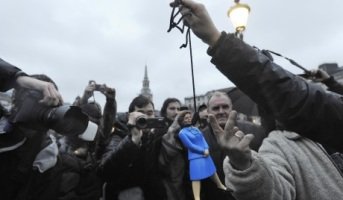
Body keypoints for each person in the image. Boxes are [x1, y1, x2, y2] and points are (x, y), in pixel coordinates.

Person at [174, 0, 343, 199]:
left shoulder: (256, 133)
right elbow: (272, 188)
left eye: (224, 106)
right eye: (216, 107)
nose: (221, 111)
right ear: (209, 111)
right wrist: (243, 165)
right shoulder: (277, 144)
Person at [98, 95, 166, 200]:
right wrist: (132, 140)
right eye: (141, 113)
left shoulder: (152, 135)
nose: (146, 117)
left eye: (150, 113)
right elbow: (104, 170)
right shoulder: (119, 133)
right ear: (131, 116)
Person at [178, 111, 227, 200]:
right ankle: (197, 197)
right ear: (182, 120)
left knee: (212, 171)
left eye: (189, 117)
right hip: (195, 156)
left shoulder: (195, 129)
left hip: (205, 153)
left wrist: (206, 148)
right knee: (196, 177)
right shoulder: (182, 133)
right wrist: (202, 151)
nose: (189, 119)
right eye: (186, 118)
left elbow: (202, 139)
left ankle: (220, 185)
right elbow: (190, 146)